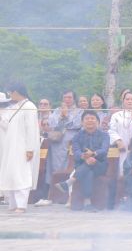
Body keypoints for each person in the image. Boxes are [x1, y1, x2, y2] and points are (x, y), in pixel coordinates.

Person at [0, 85, 41, 213]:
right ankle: (13, 204)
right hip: (11, 146)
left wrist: (29, 149)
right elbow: (6, 125)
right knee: (11, 174)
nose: (10, 96)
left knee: (21, 174)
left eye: (10, 93)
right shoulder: (15, 107)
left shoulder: (29, 107)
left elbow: (31, 129)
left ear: (16, 92)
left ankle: (21, 205)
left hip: (23, 147)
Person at [70, 110, 111, 211]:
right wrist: (84, 157)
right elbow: (76, 152)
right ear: (82, 122)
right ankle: (88, 203)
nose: (90, 121)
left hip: (100, 165)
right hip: (83, 165)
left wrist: (93, 154)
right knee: (88, 171)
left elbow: (104, 150)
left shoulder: (105, 135)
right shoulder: (77, 136)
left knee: (91, 163)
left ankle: (70, 181)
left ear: (98, 121)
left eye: (92, 118)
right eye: (87, 119)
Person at [46, 90, 82, 186]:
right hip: (57, 142)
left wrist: (66, 116)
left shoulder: (79, 111)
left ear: (74, 99)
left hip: (72, 142)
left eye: (70, 97)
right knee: (55, 166)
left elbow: (78, 124)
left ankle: (68, 189)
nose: (67, 99)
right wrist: (61, 116)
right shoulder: (57, 110)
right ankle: (54, 191)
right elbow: (52, 123)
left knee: (71, 166)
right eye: (65, 97)